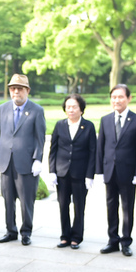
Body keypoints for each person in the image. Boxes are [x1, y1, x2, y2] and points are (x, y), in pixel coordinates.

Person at [0, 74, 46, 246]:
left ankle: (26, 232)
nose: (16, 92)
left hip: (26, 163)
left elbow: (40, 137)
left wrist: (38, 159)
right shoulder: (3, 108)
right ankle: (10, 230)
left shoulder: (36, 110)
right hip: (6, 162)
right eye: (13, 88)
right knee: (8, 199)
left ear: (27, 91)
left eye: (20, 89)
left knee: (26, 201)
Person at [95, 84, 136, 257]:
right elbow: (100, 146)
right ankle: (112, 240)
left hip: (128, 172)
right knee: (111, 206)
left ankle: (126, 241)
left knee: (127, 207)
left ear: (129, 98)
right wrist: (99, 170)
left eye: (120, 97)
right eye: (114, 97)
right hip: (110, 171)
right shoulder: (105, 120)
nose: (117, 100)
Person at [49, 94, 96, 249]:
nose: (71, 109)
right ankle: (65, 236)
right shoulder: (60, 125)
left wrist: (90, 175)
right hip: (62, 173)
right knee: (63, 205)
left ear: (81, 109)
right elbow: (53, 149)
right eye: (68, 106)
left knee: (79, 206)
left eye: (74, 106)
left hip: (80, 174)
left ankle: (76, 237)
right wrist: (52, 171)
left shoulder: (88, 126)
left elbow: (92, 152)